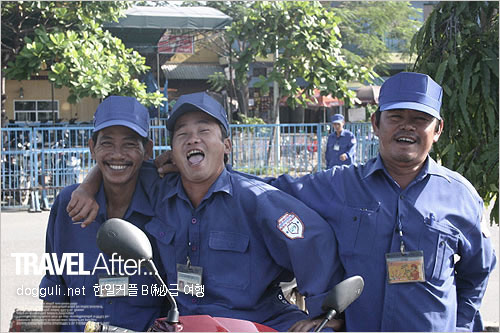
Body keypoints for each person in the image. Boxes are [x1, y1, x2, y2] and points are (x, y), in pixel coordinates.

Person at [67, 92, 344, 331]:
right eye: (182, 134)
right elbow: (117, 164)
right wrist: (86, 189)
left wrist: (324, 312)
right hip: (186, 323)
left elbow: (313, 239)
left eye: (204, 131)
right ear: (171, 152)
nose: (192, 140)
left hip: (258, 322)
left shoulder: (256, 199)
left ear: (226, 145)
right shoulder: (159, 189)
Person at [271, 72, 496, 332]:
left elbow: (478, 271)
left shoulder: (461, 196)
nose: (407, 127)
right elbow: (268, 192)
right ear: (376, 124)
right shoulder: (340, 185)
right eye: (396, 117)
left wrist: (460, 326)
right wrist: (217, 174)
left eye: (420, 119)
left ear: (437, 130)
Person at [39, 96, 168, 332]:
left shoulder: (165, 205)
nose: (117, 154)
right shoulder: (69, 205)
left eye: (129, 144)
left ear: (147, 150)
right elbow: (54, 287)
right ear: (92, 148)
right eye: (107, 143)